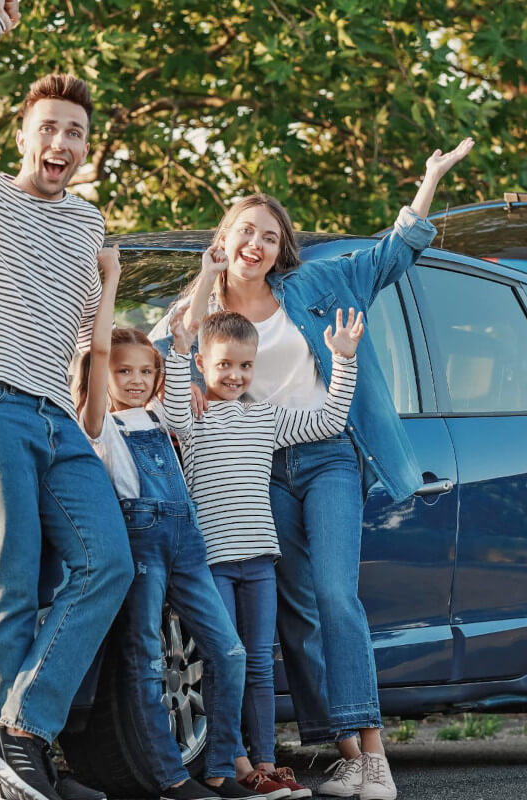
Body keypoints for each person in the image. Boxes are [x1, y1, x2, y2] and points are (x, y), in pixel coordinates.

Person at [166, 138, 474, 800]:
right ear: (224, 238)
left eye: (270, 237)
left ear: (281, 251)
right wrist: (201, 281)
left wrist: (428, 182)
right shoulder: (201, 317)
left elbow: (391, 258)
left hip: (327, 456)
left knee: (336, 596)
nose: (257, 244)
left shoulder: (311, 285)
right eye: (245, 231)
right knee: (297, 614)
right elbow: (170, 357)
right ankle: (347, 756)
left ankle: (374, 759)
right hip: (257, 475)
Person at [0, 1, 133, 798]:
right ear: (23, 136)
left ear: (84, 149)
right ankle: (26, 771)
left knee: (109, 561)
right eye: (48, 128)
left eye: (74, 133)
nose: (61, 144)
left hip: (56, 415)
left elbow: (83, 330)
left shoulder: (86, 223)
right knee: (9, 569)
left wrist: (109, 299)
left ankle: (21, 735)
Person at [72, 248, 261, 800]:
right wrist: (109, 280)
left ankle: (222, 766)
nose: (134, 380)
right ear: (101, 374)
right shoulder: (96, 423)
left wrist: (207, 274)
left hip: (188, 539)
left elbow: (184, 334)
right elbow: (98, 344)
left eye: (144, 372)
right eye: (122, 372)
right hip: (142, 543)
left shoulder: (163, 411)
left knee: (229, 652)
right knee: (145, 659)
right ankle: (170, 778)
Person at [165, 280, 367, 799]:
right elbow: (167, 408)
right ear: (205, 367)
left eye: (245, 366)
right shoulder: (193, 415)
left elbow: (329, 420)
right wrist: (181, 349)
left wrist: (341, 362)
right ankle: (228, 761)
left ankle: (266, 763)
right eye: (224, 365)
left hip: (259, 562)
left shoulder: (266, 418)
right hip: (212, 561)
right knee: (223, 659)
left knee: (258, 661)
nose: (234, 375)